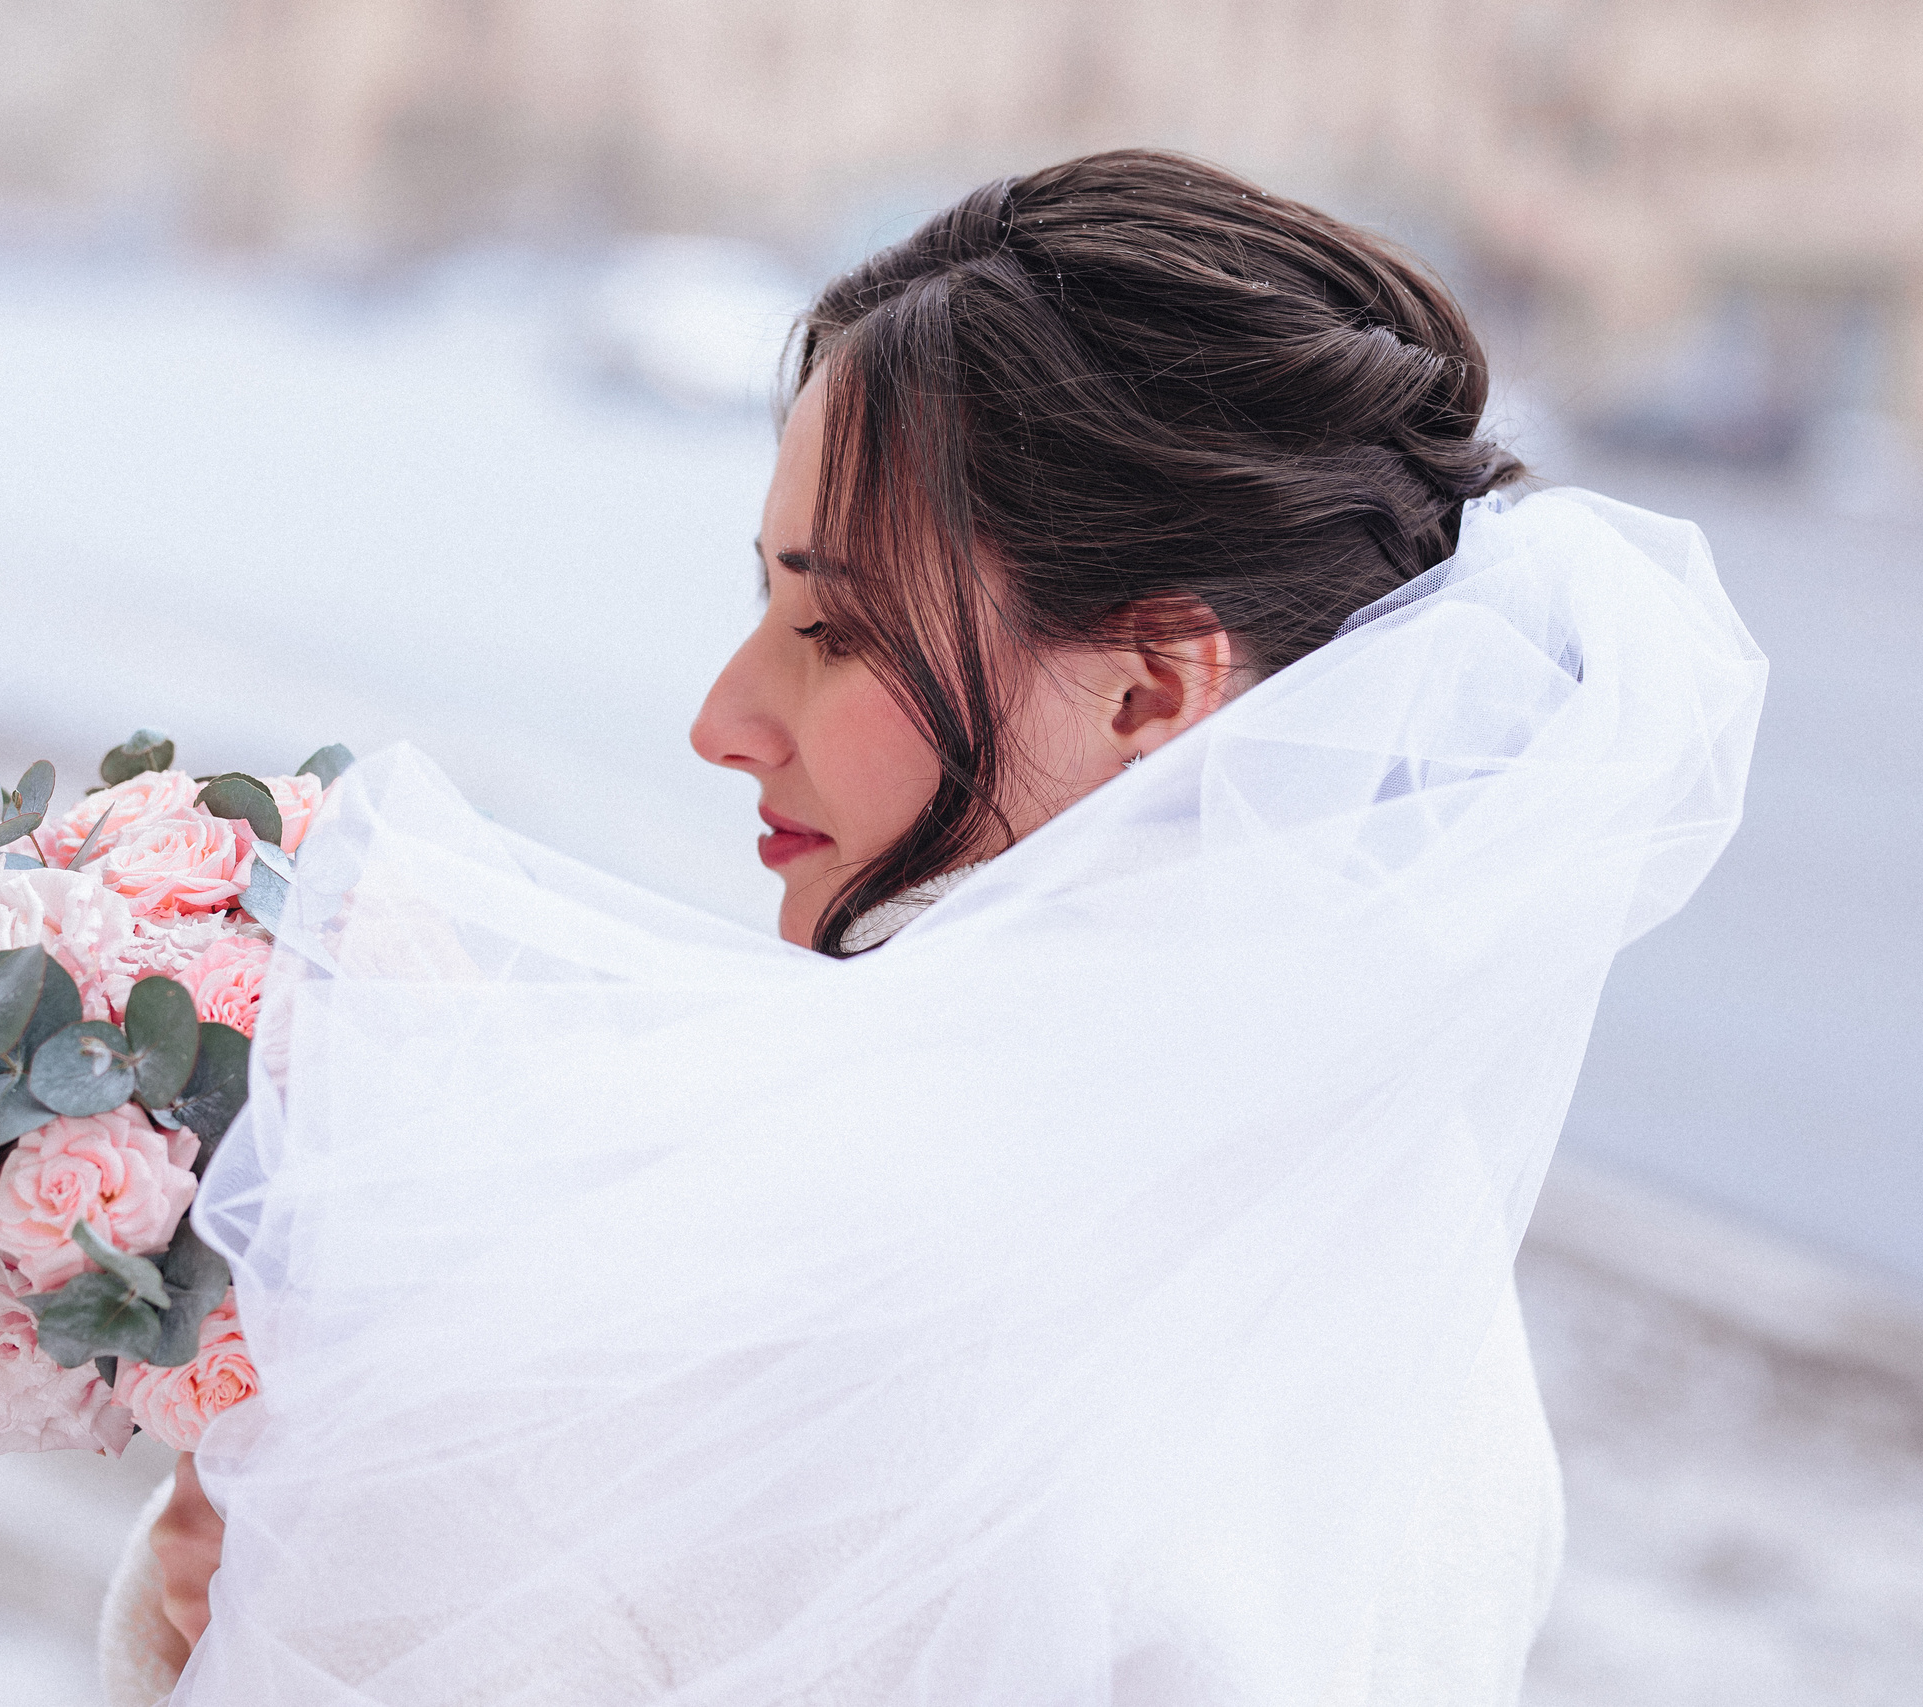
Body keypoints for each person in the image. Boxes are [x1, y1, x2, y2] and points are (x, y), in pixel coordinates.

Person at [104, 150, 1762, 1705]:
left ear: (1151, 686)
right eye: (759, 601)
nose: (724, 718)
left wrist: (249, 1572)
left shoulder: (770, 1266)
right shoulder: (1412, 1286)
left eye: (833, 629)